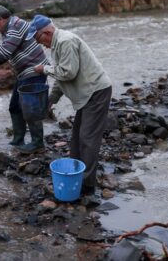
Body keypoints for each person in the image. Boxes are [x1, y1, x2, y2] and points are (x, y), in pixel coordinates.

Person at [31, 15, 112, 195]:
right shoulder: (57, 45)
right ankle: (75, 176)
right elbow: (61, 77)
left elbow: (68, 73)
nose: (41, 44)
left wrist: (44, 69)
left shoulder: (65, 41)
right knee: (76, 139)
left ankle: (87, 185)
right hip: (85, 95)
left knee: (88, 139)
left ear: (47, 32)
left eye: (39, 39)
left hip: (96, 92)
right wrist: (52, 99)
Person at [0, 5, 48, 153]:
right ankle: (18, 140)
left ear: (0, 20)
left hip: (35, 70)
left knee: (31, 109)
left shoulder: (16, 26)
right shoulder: (9, 29)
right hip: (24, 72)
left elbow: (5, 50)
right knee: (15, 106)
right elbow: (6, 55)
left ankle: (38, 144)